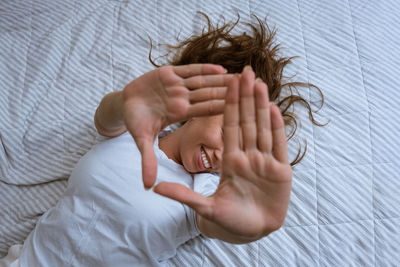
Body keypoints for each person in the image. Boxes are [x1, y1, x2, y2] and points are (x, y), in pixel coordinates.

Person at [16, 14, 324, 266]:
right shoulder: (137, 132)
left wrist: (252, 227)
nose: (222, 157)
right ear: (204, 107)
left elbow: (216, 221)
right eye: (226, 136)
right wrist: (127, 101)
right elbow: (105, 119)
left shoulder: (205, 190)